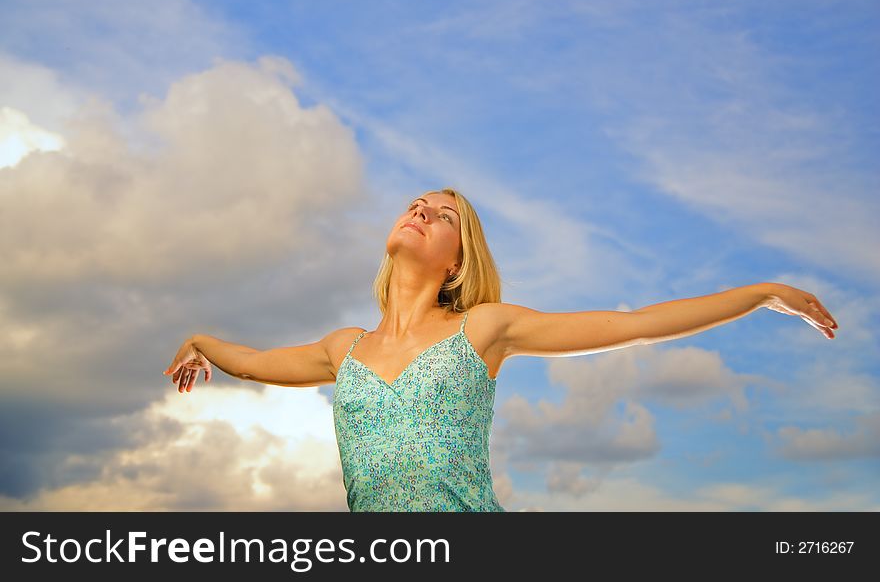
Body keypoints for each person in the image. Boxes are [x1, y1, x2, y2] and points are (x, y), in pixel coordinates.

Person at [164, 187, 839, 512]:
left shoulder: (482, 329)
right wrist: (200, 341)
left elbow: (629, 324)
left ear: (458, 263)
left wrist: (757, 293)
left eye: (444, 215)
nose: (422, 210)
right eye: (418, 203)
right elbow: (252, 361)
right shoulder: (344, 348)